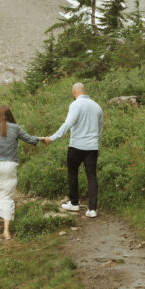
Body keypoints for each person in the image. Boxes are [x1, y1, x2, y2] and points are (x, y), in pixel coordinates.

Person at [0, 104, 42, 240]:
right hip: (10, 165)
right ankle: (6, 232)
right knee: (7, 197)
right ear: (10, 115)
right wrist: (41, 139)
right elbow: (29, 139)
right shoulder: (15, 128)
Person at [44, 82, 103, 218]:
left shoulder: (75, 105)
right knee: (92, 176)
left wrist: (52, 138)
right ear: (84, 91)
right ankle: (92, 209)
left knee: (72, 172)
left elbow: (68, 124)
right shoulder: (97, 106)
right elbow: (100, 129)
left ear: (74, 92)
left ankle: (74, 203)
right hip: (92, 147)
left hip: (76, 145)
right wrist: (96, 143)